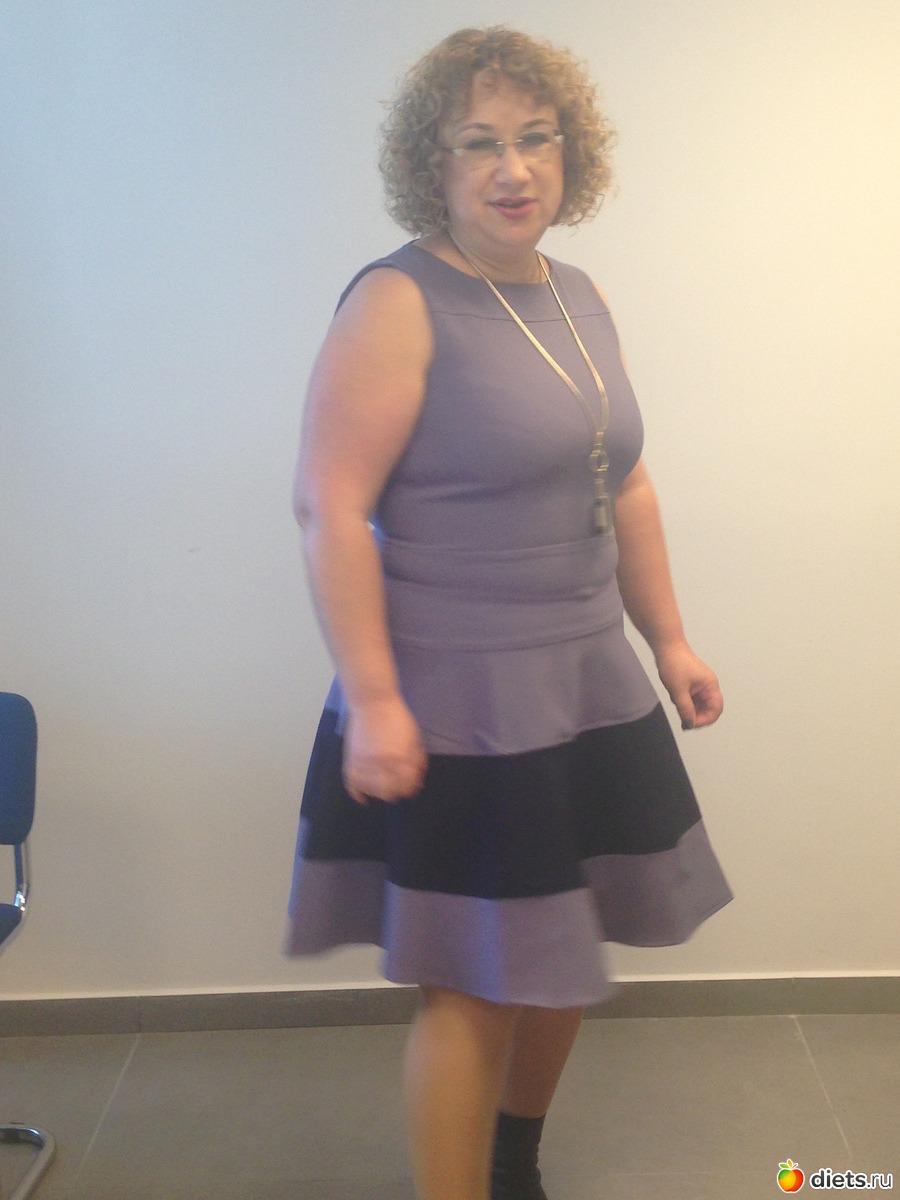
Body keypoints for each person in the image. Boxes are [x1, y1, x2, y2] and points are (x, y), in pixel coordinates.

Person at [286, 26, 732, 1200]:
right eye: (479, 142)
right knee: (476, 982)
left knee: (563, 951)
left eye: (536, 137)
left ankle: (511, 1166)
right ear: (430, 164)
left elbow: (623, 481)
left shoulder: (577, 295)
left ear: (571, 153)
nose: (514, 168)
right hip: (459, 690)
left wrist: (668, 638)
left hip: (583, 673)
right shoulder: (397, 300)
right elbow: (330, 509)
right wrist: (376, 701)